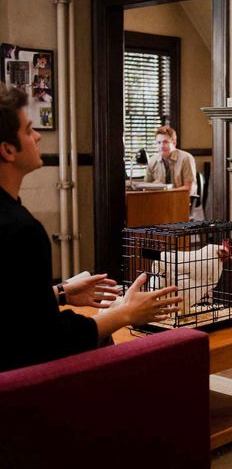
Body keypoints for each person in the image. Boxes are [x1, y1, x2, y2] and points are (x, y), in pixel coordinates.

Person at [0, 84, 181, 372]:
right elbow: (49, 342)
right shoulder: (22, 232)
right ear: (8, 150)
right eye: (29, 130)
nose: (38, 136)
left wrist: (60, 293)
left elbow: (12, 309)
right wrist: (125, 313)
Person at [145, 125, 197, 196]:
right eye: (159, 142)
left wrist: (165, 190)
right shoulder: (152, 160)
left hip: (181, 199)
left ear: (174, 143)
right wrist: (153, 186)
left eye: (165, 142)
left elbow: (189, 189)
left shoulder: (186, 158)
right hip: (158, 199)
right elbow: (146, 187)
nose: (162, 146)